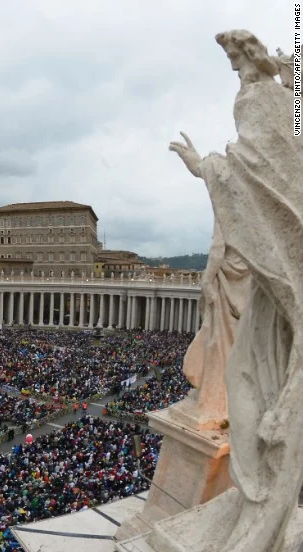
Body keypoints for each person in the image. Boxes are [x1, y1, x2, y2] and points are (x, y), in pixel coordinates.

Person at [168, 29, 303, 552]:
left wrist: (208, 167)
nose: (231, 69)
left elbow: (252, 179)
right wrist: (210, 167)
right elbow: (248, 179)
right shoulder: (270, 114)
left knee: (251, 386)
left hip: (280, 298)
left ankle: (262, 510)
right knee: (245, 380)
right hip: (271, 299)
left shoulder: (268, 110)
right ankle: (256, 500)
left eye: (234, 59)